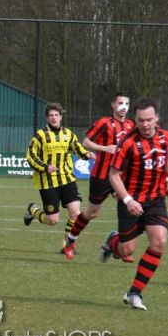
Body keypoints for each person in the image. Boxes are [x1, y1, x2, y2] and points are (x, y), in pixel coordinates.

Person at [100, 98, 168, 311]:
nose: (145, 124)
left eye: (149, 119)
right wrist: (127, 200)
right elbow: (113, 175)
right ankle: (112, 242)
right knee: (126, 250)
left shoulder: (166, 137)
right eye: (141, 120)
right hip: (131, 200)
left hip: (155, 199)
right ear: (135, 120)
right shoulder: (127, 143)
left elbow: (166, 158)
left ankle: (135, 293)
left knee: (159, 241)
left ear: (157, 118)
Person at [61, 93, 134, 259]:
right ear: (113, 105)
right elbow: (86, 143)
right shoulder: (104, 122)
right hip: (101, 176)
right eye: (120, 103)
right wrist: (104, 148)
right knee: (92, 212)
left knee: (129, 207)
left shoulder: (131, 125)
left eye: (126, 103)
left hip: (120, 176)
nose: (123, 107)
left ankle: (120, 246)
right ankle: (71, 239)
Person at [23, 102, 95, 259]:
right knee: (52, 220)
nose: (54, 118)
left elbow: (77, 148)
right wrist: (44, 167)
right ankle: (32, 210)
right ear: (47, 118)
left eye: (56, 115)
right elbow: (31, 157)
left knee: (76, 213)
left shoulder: (68, 134)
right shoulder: (40, 136)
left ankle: (67, 245)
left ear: (61, 117)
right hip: (47, 181)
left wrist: (86, 154)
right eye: (51, 115)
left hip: (67, 178)